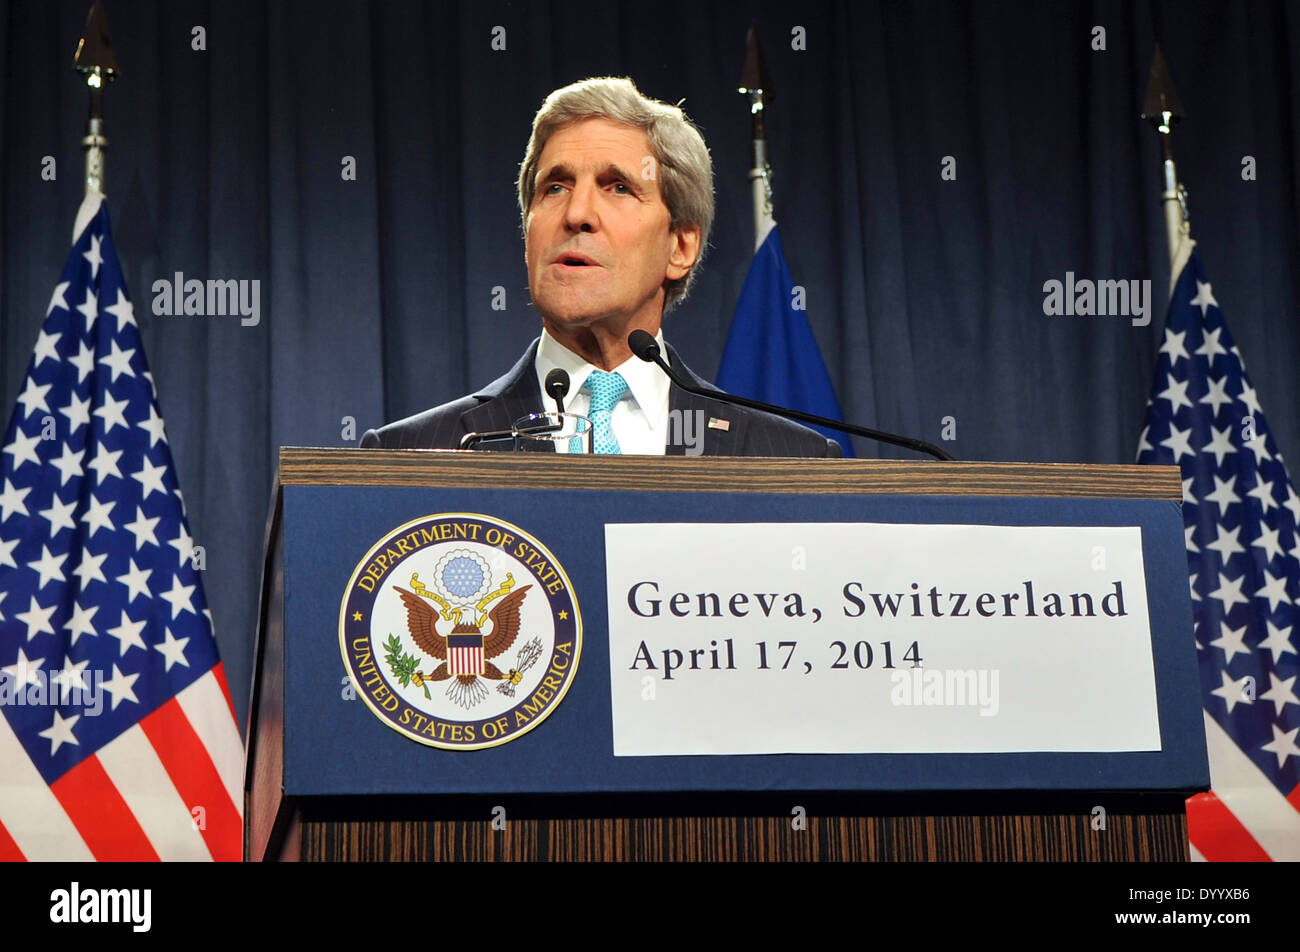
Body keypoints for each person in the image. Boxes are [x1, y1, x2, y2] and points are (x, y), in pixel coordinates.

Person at [360, 77, 841, 457]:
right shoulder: (415, 454)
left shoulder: (789, 460)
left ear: (680, 246)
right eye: (555, 188)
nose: (576, 214)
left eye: (618, 187)